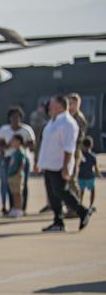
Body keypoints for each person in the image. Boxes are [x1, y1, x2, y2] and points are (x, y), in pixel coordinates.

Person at [35, 95, 93, 232]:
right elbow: (45, 143)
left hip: (59, 164)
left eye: (52, 105)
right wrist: (39, 162)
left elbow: (69, 147)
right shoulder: (53, 121)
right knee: (52, 194)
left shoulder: (68, 123)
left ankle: (82, 211)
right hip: (49, 164)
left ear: (59, 106)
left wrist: (66, 166)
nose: (49, 107)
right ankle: (58, 222)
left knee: (61, 191)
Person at [0, 107, 35, 214]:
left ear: (21, 118)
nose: (15, 119)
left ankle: (22, 208)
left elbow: (32, 144)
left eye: (18, 117)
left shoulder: (26, 130)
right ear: (9, 118)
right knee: (10, 184)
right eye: (13, 117)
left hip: (22, 159)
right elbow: (0, 145)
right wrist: (7, 148)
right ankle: (12, 207)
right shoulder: (4, 130)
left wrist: (20, 145)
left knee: (23, 184)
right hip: (8, 160)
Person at [66, 93, 89, 205]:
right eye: (69, 103)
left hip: (74, 153)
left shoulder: (79, 119)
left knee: (72, 179)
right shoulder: (67, 117)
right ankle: (71, 205)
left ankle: (77, 205)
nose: (70, 106)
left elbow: (79, 138)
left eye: (72, 103)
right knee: (67, 179)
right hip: (67, 152)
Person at [5, 135, 29, 218]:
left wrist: (18, 172)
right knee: (14, 193)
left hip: (17, 176)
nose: (11, 142)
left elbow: (23, 163)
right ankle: (15, 208)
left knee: (18, 194)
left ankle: (19, 210)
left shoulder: (21, 152)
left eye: (13, 140)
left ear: (19, 141)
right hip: (12, 175)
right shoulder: (15, 152)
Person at [77, 136, 99, 209]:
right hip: (82, 177)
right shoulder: (81, 155)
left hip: (89, 177)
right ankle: (80, 204)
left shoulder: (92, 156)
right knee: (81, 192)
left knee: (92, 190)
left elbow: (95, 167)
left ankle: (90, 205)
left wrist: (97, 173)